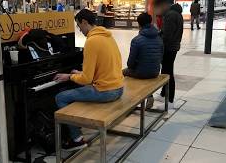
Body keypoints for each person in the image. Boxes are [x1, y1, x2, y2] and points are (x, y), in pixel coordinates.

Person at [54, 9, 124, 151]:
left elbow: (86, 79)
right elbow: (100, 69)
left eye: (79, 26)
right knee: (71, 92)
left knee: (60, 97)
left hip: (106, 91)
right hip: (119, 87)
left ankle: (77, 139)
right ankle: (76, 124)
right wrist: (80, 73)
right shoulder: (107, 36)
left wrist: (69, 76)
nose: (80, 30)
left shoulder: (92, 41)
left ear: (85, 22)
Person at [154, 0, 183, 108]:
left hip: (169, 48)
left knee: (167, 73)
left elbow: (167, 35)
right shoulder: (175, 13)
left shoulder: (170, 15)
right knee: (166, 71)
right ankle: (163, 94)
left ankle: (170, 100)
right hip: (173, 46)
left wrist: (158, 37)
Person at [123, 12, 163, 79]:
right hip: (155, 72)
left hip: (140, 73)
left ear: (139, 24)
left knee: (122, 72)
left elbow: (130, 64)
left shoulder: (136, 40)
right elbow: (161, 57)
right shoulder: (159, 38)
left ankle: (130, 89)